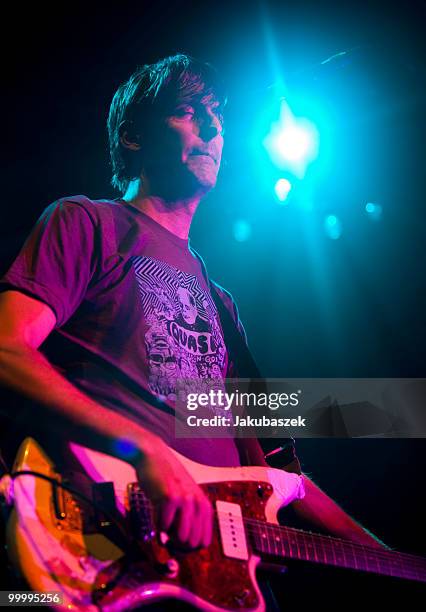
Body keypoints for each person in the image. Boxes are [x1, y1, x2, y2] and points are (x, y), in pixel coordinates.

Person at [0, 54, 386, 587]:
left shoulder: (222, 306)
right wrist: (143, 449)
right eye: (188, 110)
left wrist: (388, 557)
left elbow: (277, 476)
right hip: (102, 538)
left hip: (211, 572)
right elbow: (6, 350)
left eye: (217, 116)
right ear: (135, 135)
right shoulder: (87, 222)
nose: (212, 126)